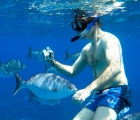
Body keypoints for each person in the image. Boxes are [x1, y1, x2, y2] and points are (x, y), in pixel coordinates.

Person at [43, 10, 131, 120]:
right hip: (98, 93)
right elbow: (72, 71)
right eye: (75, 25)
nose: (78, 29)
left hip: (116, 92)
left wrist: (88, 90)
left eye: (81, 24)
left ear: (94, 22)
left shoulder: (109, 40)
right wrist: (52, 62)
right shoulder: (87, 49)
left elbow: (115, 68)